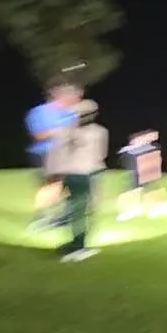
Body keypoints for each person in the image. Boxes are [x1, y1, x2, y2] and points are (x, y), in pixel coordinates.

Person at [42, 100, 108, 263]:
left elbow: (56, 153)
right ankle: (78, 248)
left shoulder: (65, 131)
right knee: (81, 212)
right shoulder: (99, 132)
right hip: (84, 175)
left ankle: (74, 244)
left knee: (73, 210)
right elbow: (100, 156)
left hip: (68, 176)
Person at [25, 77, 83, 230]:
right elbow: (39, 135)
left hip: (65, 155)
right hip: (44, 153)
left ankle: (61, 218)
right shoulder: (39, 112)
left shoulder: (71, 115)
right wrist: (59, 132)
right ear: (61, 96)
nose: (77, 100)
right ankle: (41, 218)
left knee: (68, 186)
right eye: (74, 97)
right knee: (50, 186)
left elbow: (75, 136)